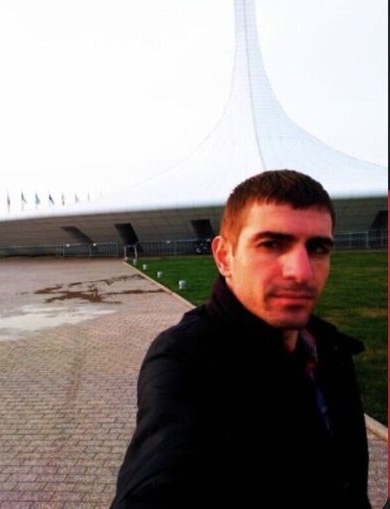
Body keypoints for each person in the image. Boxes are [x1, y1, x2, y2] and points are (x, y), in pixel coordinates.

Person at [110, 170, 371, 509]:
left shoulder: (327, 347)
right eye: (271, 244)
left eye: (318, 248)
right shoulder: (189, 361)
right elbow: (158, 483)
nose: (302, 271)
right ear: (224, 257)